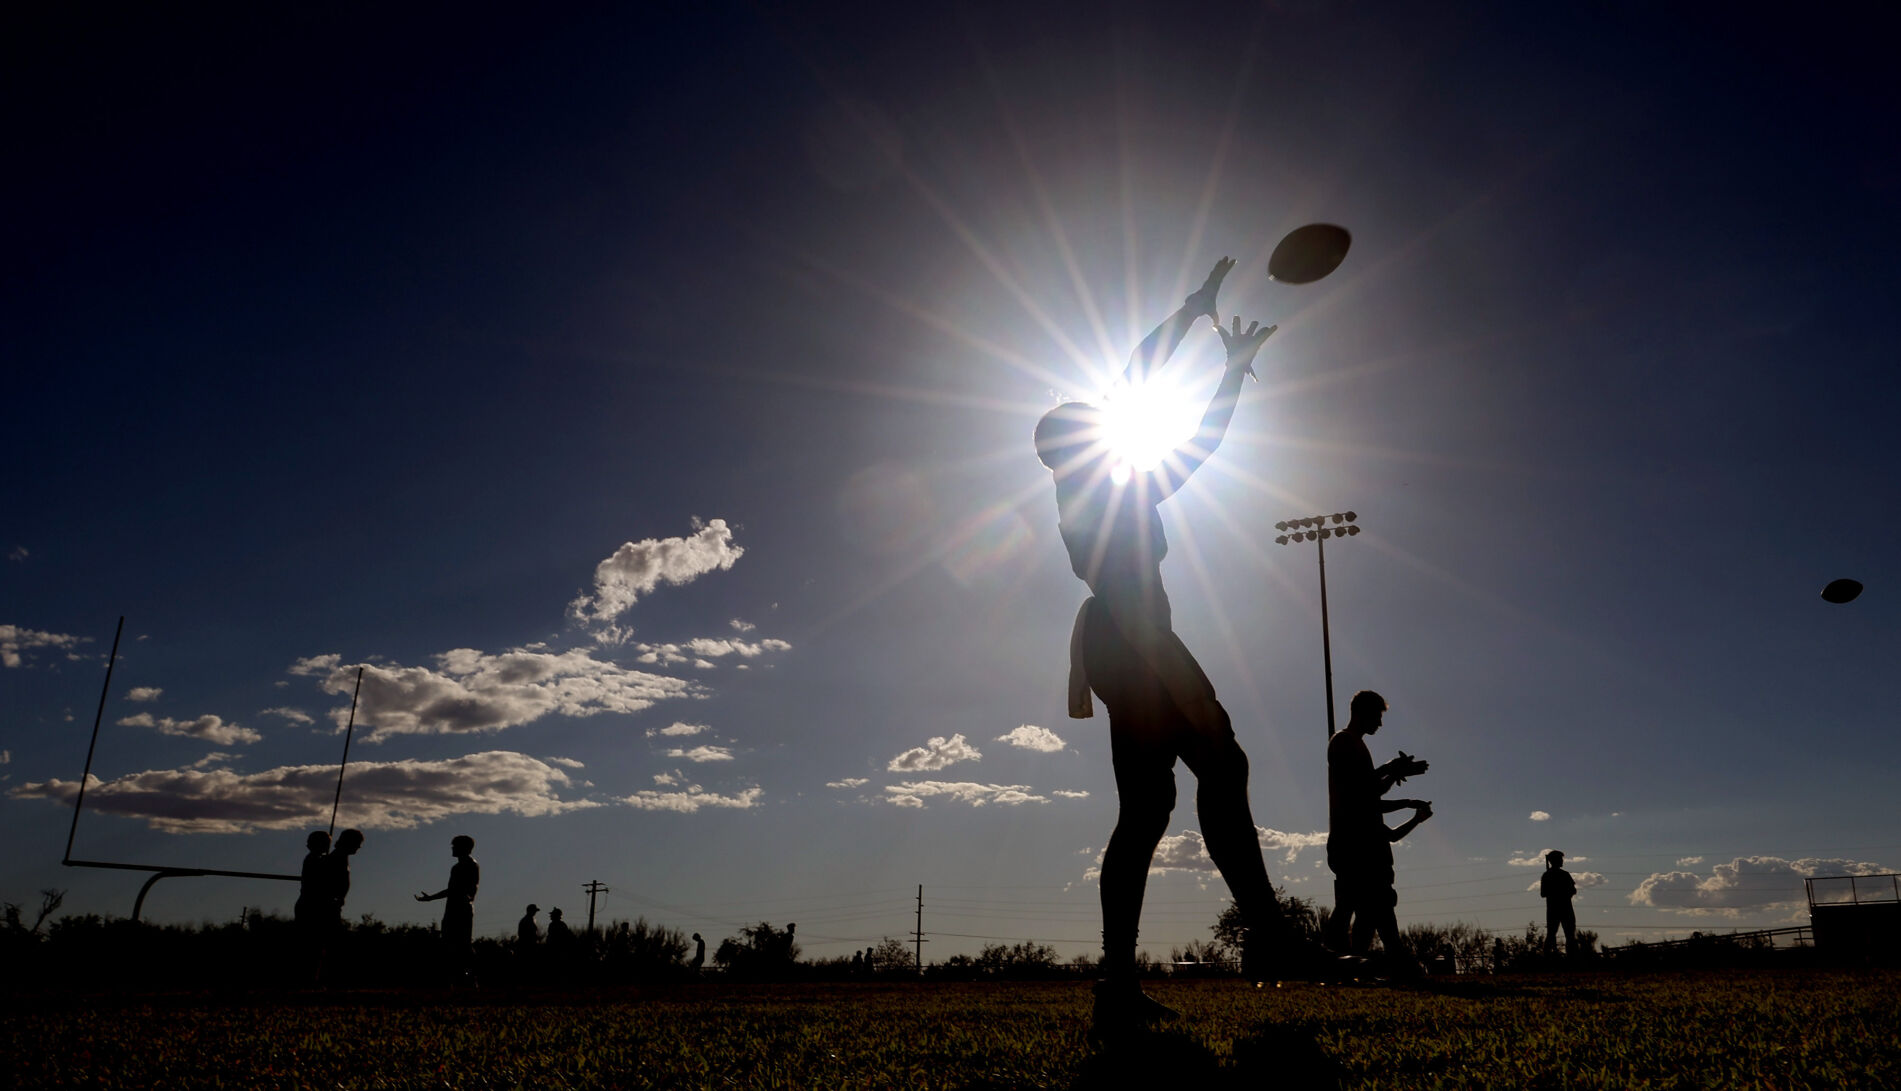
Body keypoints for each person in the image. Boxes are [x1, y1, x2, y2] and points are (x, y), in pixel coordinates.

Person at [1035, 256, 1304, 1029]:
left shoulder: (1095, 483)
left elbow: (1136, 380)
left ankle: (1119, 979)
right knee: (1221, 763)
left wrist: (1194, 315)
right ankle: (1270, 940)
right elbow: (1185, 428)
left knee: (1148, 808)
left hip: (1122, 648)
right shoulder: (1110, 489)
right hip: (1140, 643)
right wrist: (1222, 358)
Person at [1325, 691, 1430, 974]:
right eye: (1378, 717)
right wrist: (1391, 771)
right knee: (1355, 905)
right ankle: (1334, 962)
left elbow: (1368, 793)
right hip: (1351, 842)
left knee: (1366, 905)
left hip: (1359, 841)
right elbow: (1363, 793)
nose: (1380, 724)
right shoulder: (1344, 742)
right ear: (1362, 712)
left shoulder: (1355, 744)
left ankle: (1351, 962)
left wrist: (1392, 772)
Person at [416, 834, 480, 984]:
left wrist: (431, 898)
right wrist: (431, 897)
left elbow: (460, 889)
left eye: (455, 846)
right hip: (454, 908)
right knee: (452, 943)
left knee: (463, 944)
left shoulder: (468, 865)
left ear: (464, 848)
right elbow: (453, 890)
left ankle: (469, 978)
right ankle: (457, 977)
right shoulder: (459, 866)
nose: (452, 848)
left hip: (461, 909)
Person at [1541, 850, 1579, 958]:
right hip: (1563, 909)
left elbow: (1543, 893)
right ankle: (1570, 958)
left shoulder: (1547, 875)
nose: (1562, 861)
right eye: (1560, 859)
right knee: (1565, 935)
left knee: (1556, 934)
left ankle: (1550, 958)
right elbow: (1544, 893)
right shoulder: (1564, 875)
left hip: (1555, 909)